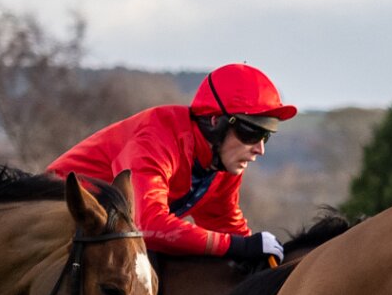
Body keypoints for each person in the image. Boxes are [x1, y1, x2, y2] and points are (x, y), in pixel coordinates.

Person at [47, 63, 295, 262]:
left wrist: (260, 257)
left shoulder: (222, 164)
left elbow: (224, 227)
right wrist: (239, 247)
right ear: (214, 122)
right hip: (52, 218)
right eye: (250, 133)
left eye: (266, 136)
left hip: (103, 231)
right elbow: (147, 224)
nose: (259, 149)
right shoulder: (157, 138)